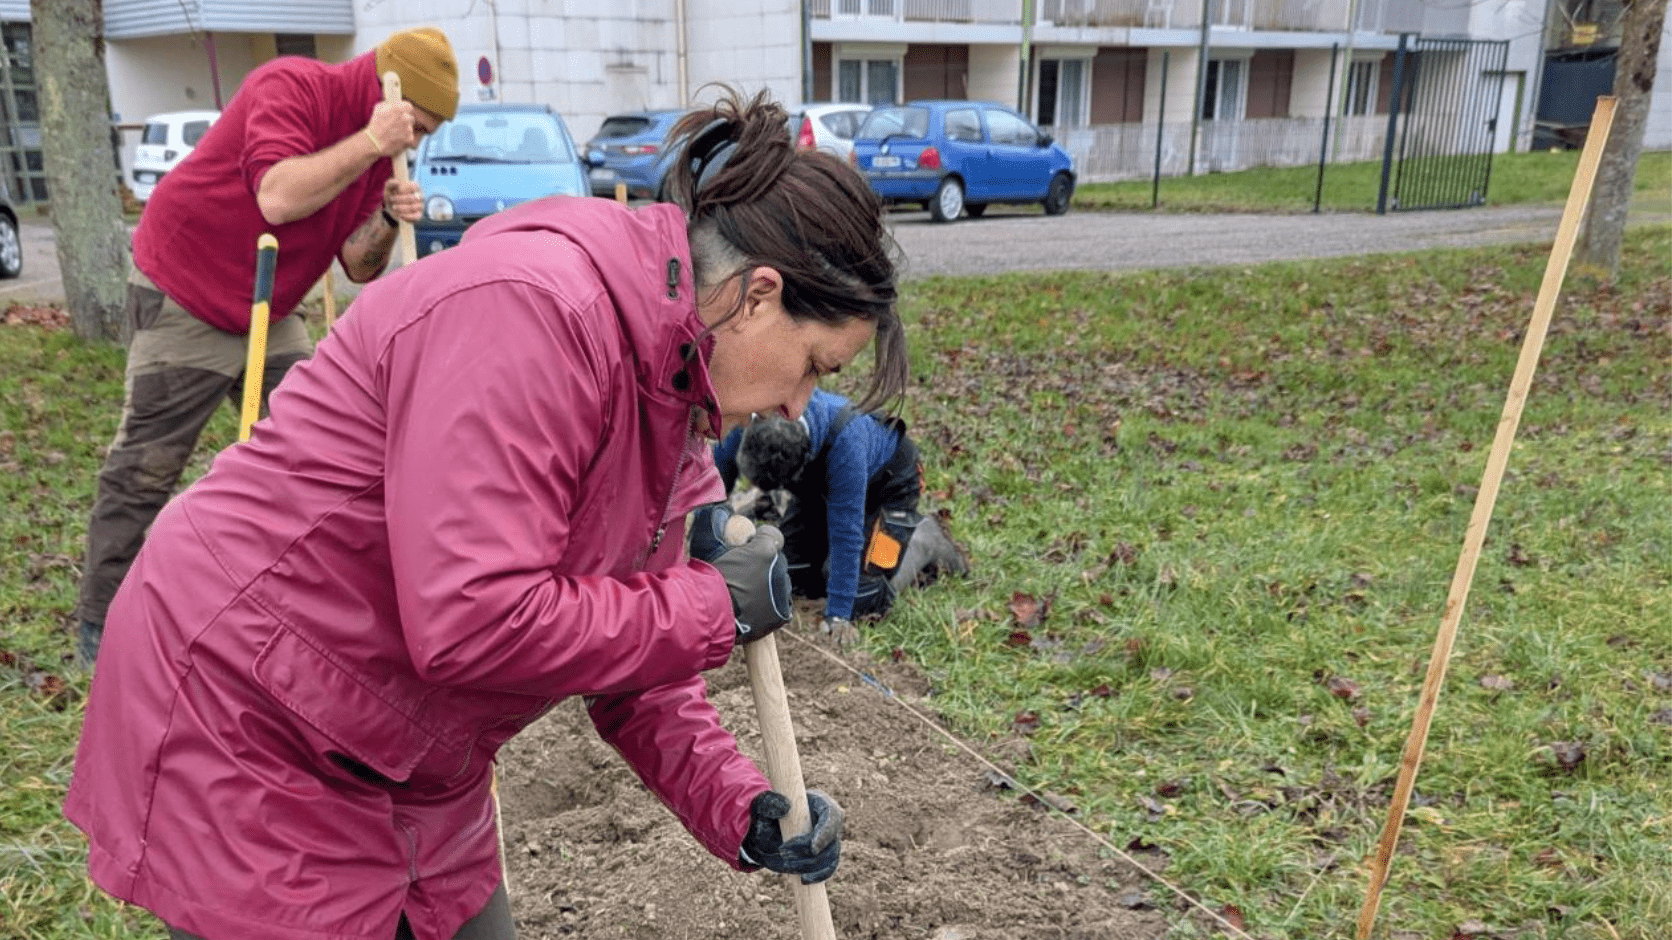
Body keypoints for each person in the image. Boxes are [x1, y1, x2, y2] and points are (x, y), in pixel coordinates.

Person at [63, 87, 905, 940]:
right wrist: (709, 605)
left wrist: (743, 807)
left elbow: (637, 668)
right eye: (813, 366)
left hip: (412, 760)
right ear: (758, 294)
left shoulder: (674, 389)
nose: (801, 407)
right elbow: (472, 618)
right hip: (252, 722)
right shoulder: (532, 314)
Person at [72, 28, 461, 666]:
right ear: (381, 92)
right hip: (187, 291)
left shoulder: (378, 148)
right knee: (147, 465)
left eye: (423, 132)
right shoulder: (290, 86)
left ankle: (303, 610)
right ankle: (100, 622)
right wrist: (370, 144)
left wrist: (388, 217)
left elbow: (358, 268)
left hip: (270, 304)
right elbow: (278, 198)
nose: (414, 142)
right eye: (415, 125)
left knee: (328, 448)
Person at [713, 388, 963, 634]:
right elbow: (716, 477)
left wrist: (838, 617)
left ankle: (924, 538)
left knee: (861, 598)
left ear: (802, 463)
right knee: (786, 575)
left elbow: (847, 536)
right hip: (821, 490)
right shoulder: (751, 416)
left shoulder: (847, 448)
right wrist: (706, 545)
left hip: (888, 492)